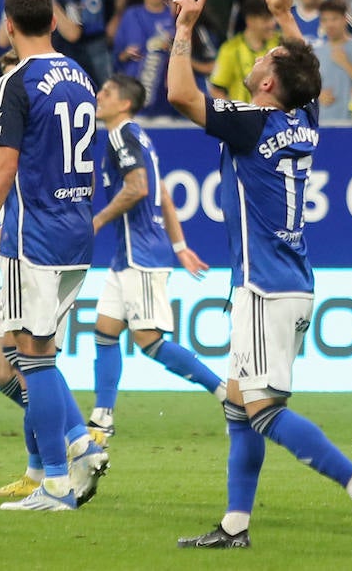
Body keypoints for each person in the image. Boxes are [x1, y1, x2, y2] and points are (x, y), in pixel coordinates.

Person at [166, 0, 352, 551]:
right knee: (241, 408)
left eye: (266, 52)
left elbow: (179, 95)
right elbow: (308, 73)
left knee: (264, 411)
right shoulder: (303, 121)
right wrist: (288, 17)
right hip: (281, 281)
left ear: (267, 81)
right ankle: (235, 527)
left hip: (267, 287)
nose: (259, 51)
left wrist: (183, 30)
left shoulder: (252, 122)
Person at [0, 0, 111, 512]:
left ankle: (57, 479)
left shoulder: (13, 82)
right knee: (28, 357)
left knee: (32, 358)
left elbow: (5, 167)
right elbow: (75, 167)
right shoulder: (81, 77)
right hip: (75, 231)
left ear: (8, 26)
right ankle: (72, 453)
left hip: (38, 241)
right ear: (53, 21)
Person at [85, 74, 223, 444]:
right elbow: (162, 192)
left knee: (148, 340)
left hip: (141, 254)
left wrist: (96, 221)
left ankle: (225, 394)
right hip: (129, 254)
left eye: (108, 92)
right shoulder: (139, 136)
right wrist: (180, 246)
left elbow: (139, 188)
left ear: (124, 103)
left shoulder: (121, 137)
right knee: (105, 331)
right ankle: (102, 416)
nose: (100, 96)